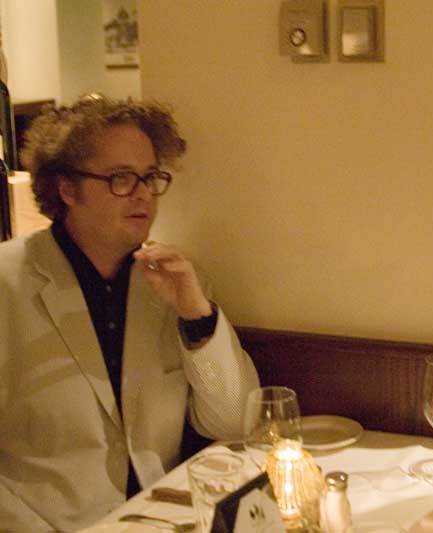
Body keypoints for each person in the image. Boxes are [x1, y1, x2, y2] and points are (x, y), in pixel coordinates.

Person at [0, 97, 260, 531]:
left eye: (150, 177)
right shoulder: (9, 282)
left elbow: (235, 421)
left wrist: (197, 315)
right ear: (67, 189)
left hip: (164, 518)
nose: (142, 194)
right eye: (120, 178)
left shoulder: (171, 279)